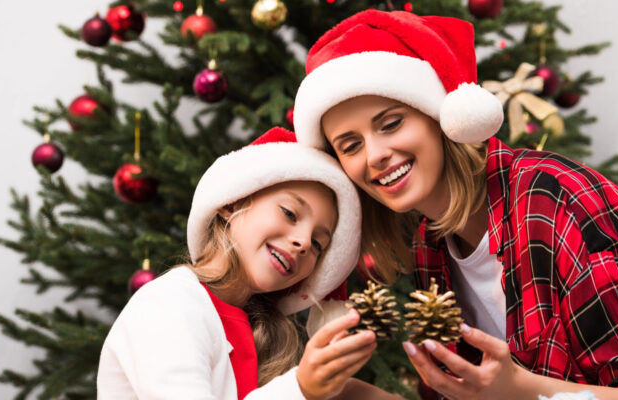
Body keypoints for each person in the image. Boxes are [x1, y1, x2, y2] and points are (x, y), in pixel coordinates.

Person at [292, 10, 618, 400]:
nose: (375, 156)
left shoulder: (548, 197)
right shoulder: (432, 242)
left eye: (391, 123)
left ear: (442, 116)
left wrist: (515, 388)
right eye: (350, 146)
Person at [97, 127, 399, 399]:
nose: (304, 242)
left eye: (319, 244)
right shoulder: (169, 305)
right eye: (290, 213)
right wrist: (300, 389)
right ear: (232, 203)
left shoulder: (256, 336)